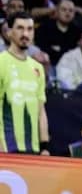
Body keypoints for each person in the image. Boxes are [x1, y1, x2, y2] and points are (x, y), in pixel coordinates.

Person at [0, 12, 50, 154]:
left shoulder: (38, 68)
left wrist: (45, 147)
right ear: (9, 32)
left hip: (32, 151)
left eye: (30, 29)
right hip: (6, 149)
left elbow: (41, 111)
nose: (25, 34)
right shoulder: (1, 62)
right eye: (20, 28)